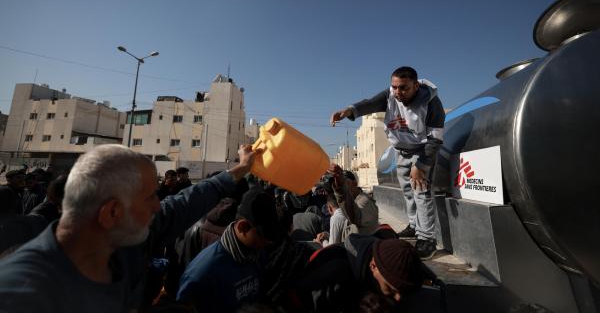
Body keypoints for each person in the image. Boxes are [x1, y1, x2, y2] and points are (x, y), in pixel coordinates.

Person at [0, 144, 258, 313]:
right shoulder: (22, 294)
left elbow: (183, 203)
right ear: (111, 212)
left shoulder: (126, 235)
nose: (159, 206)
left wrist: (240, 168)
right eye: (150, 197)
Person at [330, 66, 445, 259]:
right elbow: (370, 103)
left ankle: (427, 239)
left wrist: (422, 165)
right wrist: (349, 111)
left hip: (421, 151)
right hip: (400, 151)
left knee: (421, 192)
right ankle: (414, 226)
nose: (397, 93)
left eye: (403, 88)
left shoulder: (432, 104)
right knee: (408, 192)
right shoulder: (391, 95)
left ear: (416, 85)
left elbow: (435, 140)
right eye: (394, 87)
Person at [177, 188, 282, 313]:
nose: (268, 241)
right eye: (263, 235)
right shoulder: (202, 274)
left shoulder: (257, 253)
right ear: (242, 227)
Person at [294, 234, 424, 311]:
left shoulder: (384, 253)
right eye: (391, 289)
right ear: (373, 266)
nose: (398, 298)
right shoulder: (333, 275)